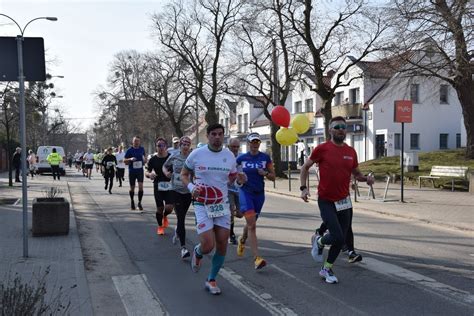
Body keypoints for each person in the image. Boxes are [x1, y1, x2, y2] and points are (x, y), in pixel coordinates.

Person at [299, 116, 374, 284]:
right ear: (330, 130)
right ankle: (319, 241)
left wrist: (366, 179)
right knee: (337, 237)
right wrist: (303, 189)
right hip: (326, 200)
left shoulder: (350, 151)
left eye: (343, 127)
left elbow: (356, 174)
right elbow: (305, 167)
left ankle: (326, 268)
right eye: (337, 127)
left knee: (342, 238)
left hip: (344, 201)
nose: (341, 129)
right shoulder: (322, 149)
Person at [181, 123, 246, 295]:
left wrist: (240, 179)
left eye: (220, 134)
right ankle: (198, 251)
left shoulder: (229, 156)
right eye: (214, 134)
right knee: (208, 244)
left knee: (223, 241)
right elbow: (184, 174)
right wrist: (191, 188)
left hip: (221, 204)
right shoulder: (197, 154)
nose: (217, 137)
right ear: (208, 136)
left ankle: (211, 279)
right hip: (202, 203)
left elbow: (231, 179)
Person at [236, 133, 275, 270]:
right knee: (252, 225)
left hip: (259, 194)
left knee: (251, 223)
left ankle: (242, 239)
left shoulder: (265, 158)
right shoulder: (241, 158)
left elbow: (273, 177)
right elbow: (232, 175)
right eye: (252, 142)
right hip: (246, 193)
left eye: (257, 141)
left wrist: (265, 174)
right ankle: (257, 258)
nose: (255, 144)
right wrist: (238, 179)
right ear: (248, 143)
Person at [163, 136, 193, 259]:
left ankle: (177, 231)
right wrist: (166, 173)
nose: (185, 147)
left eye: (187, 145)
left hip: (188, 191)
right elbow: (165, 166)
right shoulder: (174, 156)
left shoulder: (192, 158)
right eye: (183, 145)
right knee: (181, 218)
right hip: (175, 190)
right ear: (180, 146)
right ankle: (183, 248)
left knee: (183, 216)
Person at [145, 138, 173, 234]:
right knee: (159, 208)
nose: (160, 147)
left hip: (170, 185)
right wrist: (150, 175)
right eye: (158, 146)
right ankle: (160, 226)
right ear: (156, 147)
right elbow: (147, 171)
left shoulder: (171, 157)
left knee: (169, 208)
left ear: (166, 146)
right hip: (158, 185)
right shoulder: (153, 159)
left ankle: (165, 216)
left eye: (162, 145)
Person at [227, 138, 243, 245]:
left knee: (240, 214)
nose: (235, 149)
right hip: (229, 189)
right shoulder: (225, 157)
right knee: (231, 211)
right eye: (233, 147)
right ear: (229, 147)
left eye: (237, 147)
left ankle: (227, 219)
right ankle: (231, 234)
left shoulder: (242, 157)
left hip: (240, 189)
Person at [124, 136, 147, 211]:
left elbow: (145, 158)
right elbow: (124, 160)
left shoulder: (142, 149)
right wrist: (130, 159)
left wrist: (145, 160)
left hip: (140, 171)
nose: (136, 142)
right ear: (133, 142)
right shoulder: (129, 150)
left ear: (139, 142)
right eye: (135, 141)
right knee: (132, 188)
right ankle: (132, 201)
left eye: (138, 141)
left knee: (141, 187)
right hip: (132, 171)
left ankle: (139, 203)